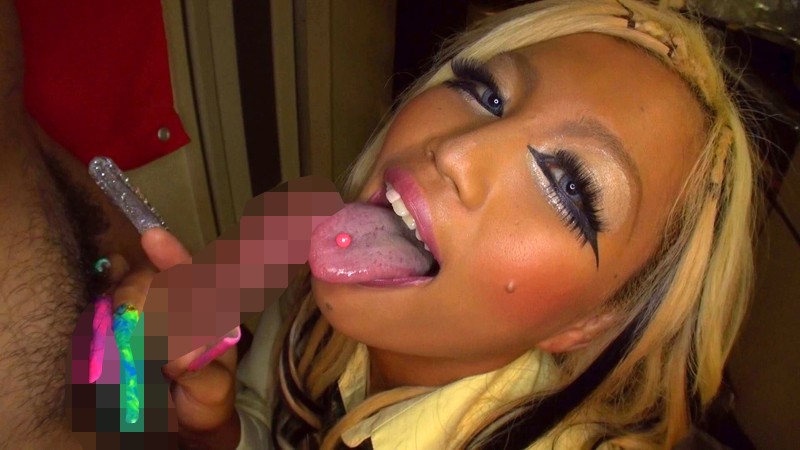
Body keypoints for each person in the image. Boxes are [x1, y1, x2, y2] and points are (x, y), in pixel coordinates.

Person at [158, 0, 757, 448]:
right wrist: (214, 425)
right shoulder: (307, 305)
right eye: (487, 93)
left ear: (591, 321)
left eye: (569, 187)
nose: (457, 151)